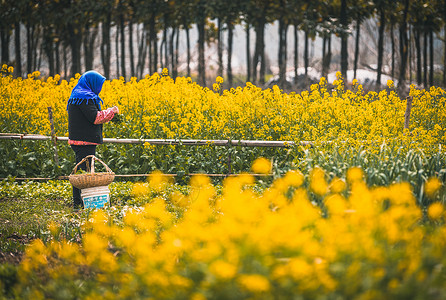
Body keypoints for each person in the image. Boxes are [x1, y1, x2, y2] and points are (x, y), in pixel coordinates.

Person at [67, 70, 119, 209]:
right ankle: (80, 202)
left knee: (82, 171)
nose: (100, 88)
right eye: (99, 84)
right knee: (83, 173)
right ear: (92, 83)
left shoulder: (79, 95)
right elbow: (95, 117)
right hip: (84, 141)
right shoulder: (85, 98)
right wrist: (111, 112)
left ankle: (80, 201)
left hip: (81, 140)